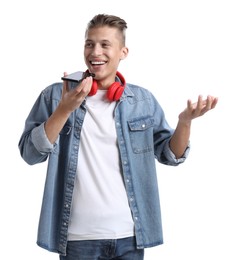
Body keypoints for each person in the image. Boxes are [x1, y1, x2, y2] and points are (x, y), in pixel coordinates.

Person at [18, 14, 218, 260]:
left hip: (130, 237)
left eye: (105, 44)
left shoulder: (142, 101)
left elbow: (171, 155)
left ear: (123, 52)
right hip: (77, 240)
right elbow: (29, 154)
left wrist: (184, 122)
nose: (95, 52)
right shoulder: (56, 96)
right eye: (89, 44)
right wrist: (64, 110)